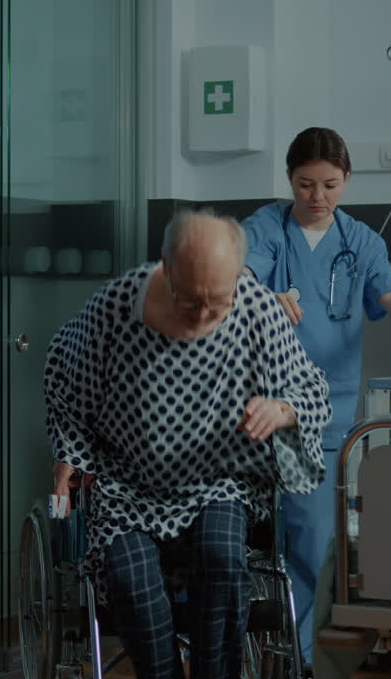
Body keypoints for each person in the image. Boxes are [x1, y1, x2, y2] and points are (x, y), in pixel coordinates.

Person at [44, 209, 331, 679]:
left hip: (218, 479)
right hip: (126, 485)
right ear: (165, 266)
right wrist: (70, 454)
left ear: (239, 278)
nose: (201, 315)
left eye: (216, 302)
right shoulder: (118, 307)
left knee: (222, 558)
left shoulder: (258, 310)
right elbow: (63, 371)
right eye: (188, 299)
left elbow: (311, 391)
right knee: (130, 581)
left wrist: (282, 409)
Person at [241, 126, 391, 663]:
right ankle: (233, 645)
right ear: (289, 180)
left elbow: (385, 288)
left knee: (313, 536)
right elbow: (238, 278)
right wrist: (265, 297)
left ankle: (293, 655)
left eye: (329, 185)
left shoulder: (362, 241)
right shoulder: (266, 227)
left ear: (347, 180)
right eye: (304, 184)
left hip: (325, 411)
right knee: (233, 533)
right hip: (256, 405)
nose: (316, 197)